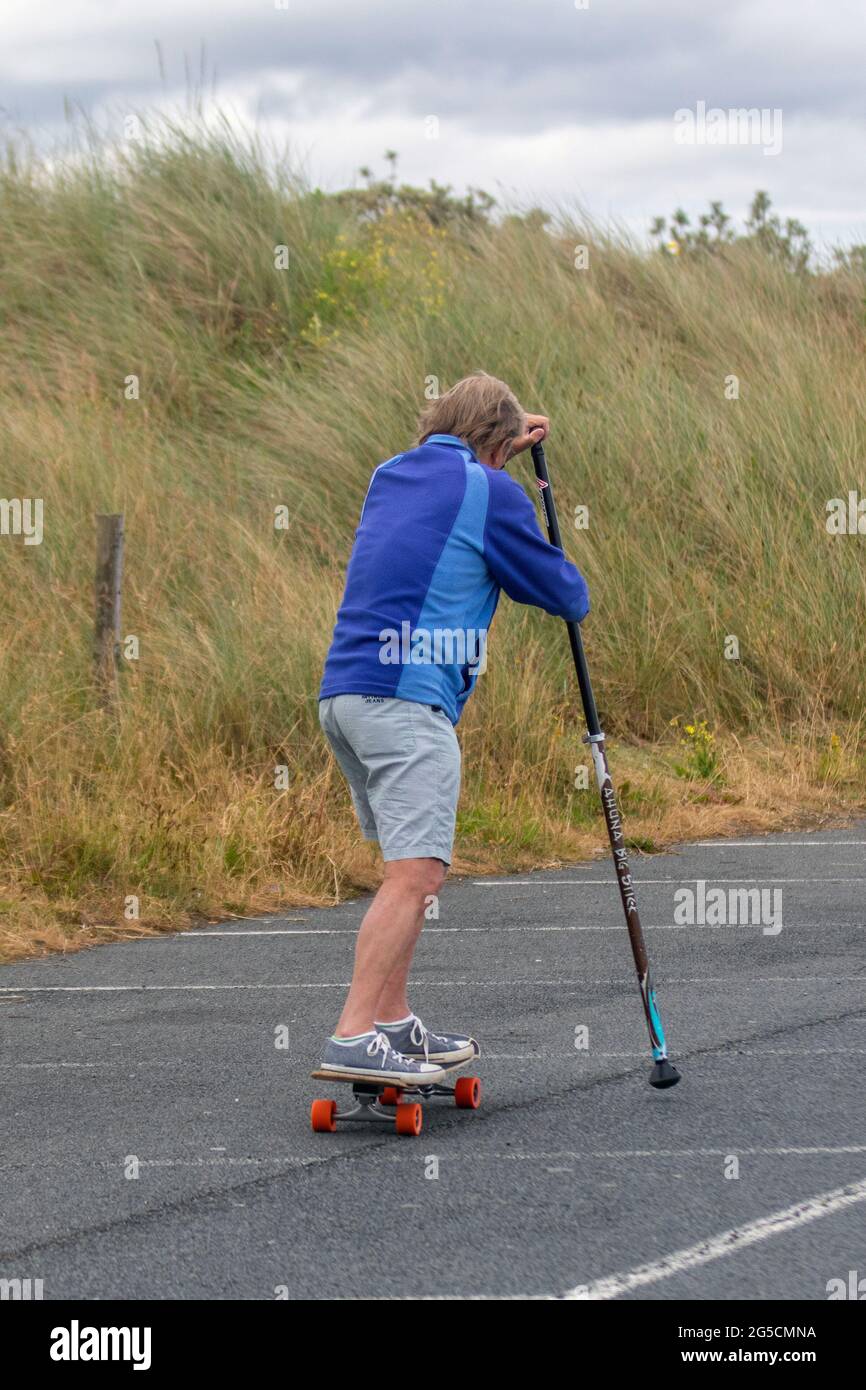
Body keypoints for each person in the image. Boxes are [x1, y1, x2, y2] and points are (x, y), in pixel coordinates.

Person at [316, 371, 590, 1085]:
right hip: (407, 703)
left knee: (405, 869)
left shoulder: (391, 473)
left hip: (345, 695)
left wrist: (502, 439)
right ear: (497, 446)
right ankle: (352, 1034)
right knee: (418, 875)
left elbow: (459, 466)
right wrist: (519, 485)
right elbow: (565, 595)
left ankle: (392, 1022)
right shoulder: (492, 488)